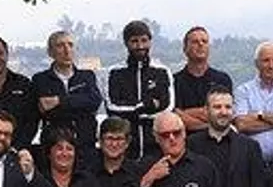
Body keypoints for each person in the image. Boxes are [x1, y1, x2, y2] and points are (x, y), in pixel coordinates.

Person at [104, 20, 170, 160]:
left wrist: (130, 110)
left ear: (150, 42)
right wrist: (145, 106)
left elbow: (167, 109)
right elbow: (112, 107)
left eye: (144, 40)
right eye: (134, 41)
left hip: (156, 150)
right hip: (124, 152)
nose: (140, 46)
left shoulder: (162, 71)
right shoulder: (114, 73)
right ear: (126, 43)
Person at [35, 30, 104, 155]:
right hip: (54, 148)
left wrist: (59, 101)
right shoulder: (41, 80)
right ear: (50, 52)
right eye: (60, 46)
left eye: (70, 45)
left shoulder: (87, 76)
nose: (67, 51)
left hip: (85, 145)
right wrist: (79, 103)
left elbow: (94, 101)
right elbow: (44, 110)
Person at [171, 26, 232, 132]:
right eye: (195, 42)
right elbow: (175, 118)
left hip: (217, 139)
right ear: (185, 49)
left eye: (204, 41)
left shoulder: (222, 80)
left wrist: (186, 112)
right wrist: (210, 122)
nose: (200, 44)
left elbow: (224, 115)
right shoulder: (174, 81)